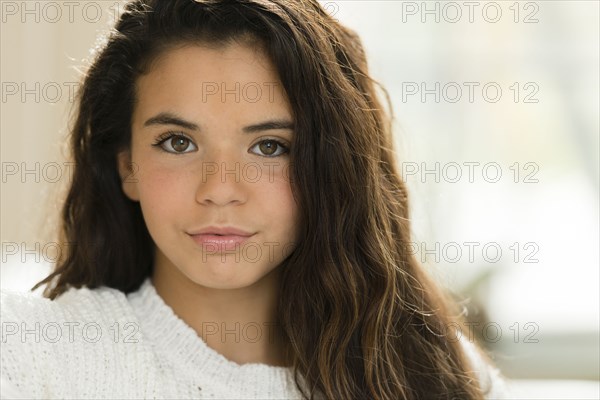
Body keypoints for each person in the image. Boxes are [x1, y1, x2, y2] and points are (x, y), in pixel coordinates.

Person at [0, 0, 509, 399]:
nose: (220, 189)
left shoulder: (441, 375)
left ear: (331, 168)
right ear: (127, 165)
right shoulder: (28, 353)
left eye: (269, 147)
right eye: (178, 142)